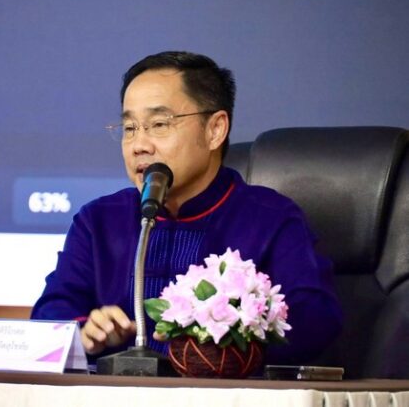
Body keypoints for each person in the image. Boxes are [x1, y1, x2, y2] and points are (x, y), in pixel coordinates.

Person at [31, 51, 342, 364]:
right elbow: (49, 315)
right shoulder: (98, 220)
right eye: (129, 128)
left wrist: (232, 323)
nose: (139, 145)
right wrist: (87, 333)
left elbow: (315, 322)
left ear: (215, 130)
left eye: (158, 124)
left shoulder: (271, 218)